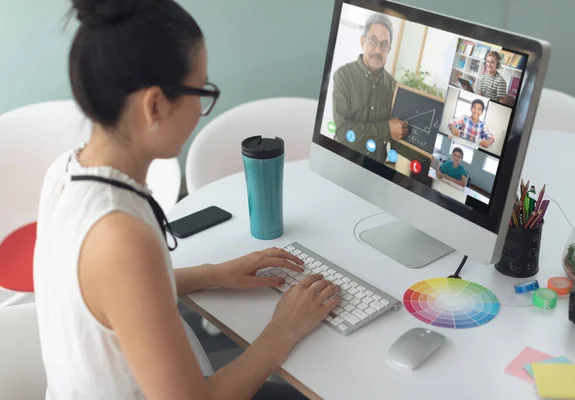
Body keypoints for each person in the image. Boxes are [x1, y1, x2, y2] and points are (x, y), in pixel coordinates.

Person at [33, 1, 340, 399]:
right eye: (201, 91)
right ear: (155, 105)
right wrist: (285, 328)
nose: (200, 110)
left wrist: (214, 273)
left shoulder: (65, 172)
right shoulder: (119, 235)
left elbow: (113, 294)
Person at [332, 12, 408, 163]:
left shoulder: (394, 87)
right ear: (362, 41)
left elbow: (397, 139)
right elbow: (343, 132)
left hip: (376, 170)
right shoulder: (343, 76)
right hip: (342, 162)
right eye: (373, 40)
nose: (379, 50)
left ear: (389, 49)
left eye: (384, 44)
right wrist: (386, 129)